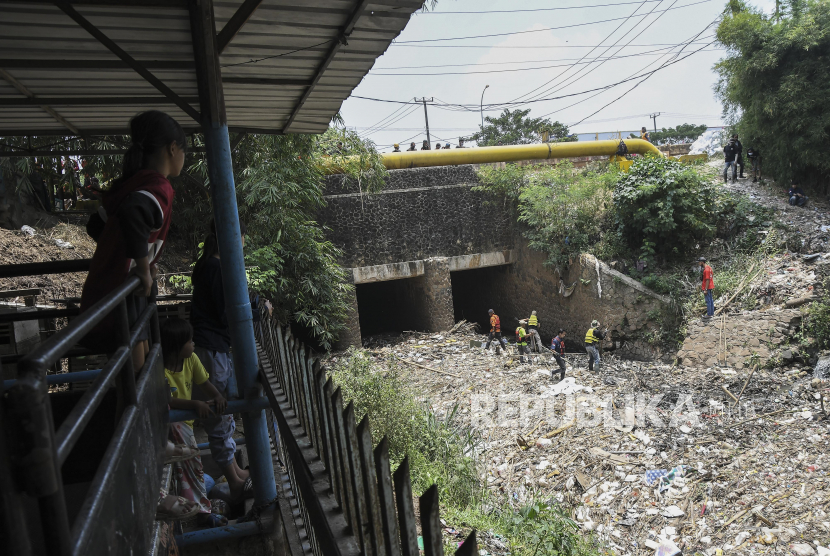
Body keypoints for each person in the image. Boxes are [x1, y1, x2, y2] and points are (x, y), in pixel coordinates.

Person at [80, 110, 185, 371]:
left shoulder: (132, 183)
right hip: (121, 296)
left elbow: (97, 224)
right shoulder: (158, 187)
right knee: (137, 380)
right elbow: (133, 213)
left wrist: (134, 258)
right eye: (185, 150)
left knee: (140, 370)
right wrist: (140, 265)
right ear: (173, 148)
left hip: (109, 290)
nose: (185, 157)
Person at [190, 223, 264, 503]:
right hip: (212, 349)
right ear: (235, 239)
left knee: (223, 414)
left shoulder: (207, 265)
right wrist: (255, 311)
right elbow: (227, 314)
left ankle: (235, 471)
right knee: (219, 414)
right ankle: (234, 481)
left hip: (211, 347)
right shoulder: (217, 269)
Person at [162, 318, 228, 528]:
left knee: (192, 466)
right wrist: (195, 403)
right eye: (189, 341)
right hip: (172, 424)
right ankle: (203, 512)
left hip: (185, 423)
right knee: (192, 463)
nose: (193, 344)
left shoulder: (191, 360)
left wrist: (217, 396)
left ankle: (196, 504)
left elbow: (205, 383)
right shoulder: (161, 371)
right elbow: (168, 400)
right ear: (176, 347)